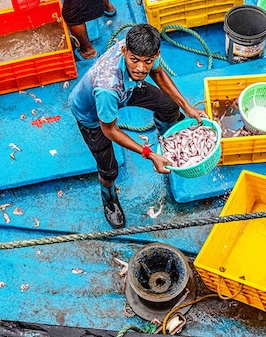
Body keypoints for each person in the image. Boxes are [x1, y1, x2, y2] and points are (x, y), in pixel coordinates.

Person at [67, 23, 205, 228]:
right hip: (93, 115)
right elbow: (109, 129)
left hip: (128, 89)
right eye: (134, 61)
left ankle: (167, 142)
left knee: (168, 105)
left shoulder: (141, 50)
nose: (141, 68)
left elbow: (157, 74)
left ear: (156, 54)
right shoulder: (107, 89)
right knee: (108, 169)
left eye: (147, 61)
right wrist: (149, 154)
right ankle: (109, 197)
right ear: (124, 51)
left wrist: (187, 107)